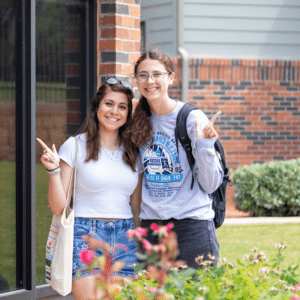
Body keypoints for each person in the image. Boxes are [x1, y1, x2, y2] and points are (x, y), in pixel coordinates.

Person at [37, 78, 142, 300]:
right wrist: (54, 171)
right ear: (97, 106)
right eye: (109, 104)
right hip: (86, 234)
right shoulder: (75, 146)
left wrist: (140, 242)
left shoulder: (134, 152)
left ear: (127, 113)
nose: (115, 111)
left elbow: (136, 207)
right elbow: (58, 207)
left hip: (125, 236)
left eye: (122, 107)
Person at [130, 49, 224, 269]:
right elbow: (137, 181)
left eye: (157, 74)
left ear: (171, 78)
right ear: (136, 81)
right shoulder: (137, 121)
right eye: (143, 75)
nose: (149, 81)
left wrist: (203, 145)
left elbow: (210, 184)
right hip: (152, 229)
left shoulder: (191, 118)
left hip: (192, 228)